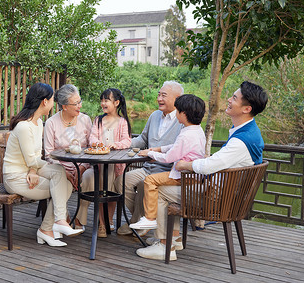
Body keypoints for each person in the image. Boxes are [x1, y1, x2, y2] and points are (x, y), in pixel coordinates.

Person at [136, 81, 268, 260]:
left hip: (218, 198)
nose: (229, 99)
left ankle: (164, 245)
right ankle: (174, 238)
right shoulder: (249, 132)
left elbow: (208, 167)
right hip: (229, 195)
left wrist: (185, 165)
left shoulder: (241, 140)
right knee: (166, 186)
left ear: (246, 109)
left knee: (159, 191)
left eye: (234, 98)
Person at [3, 83, 82, 248]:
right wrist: (32, 168)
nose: (55, 103)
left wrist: (33, 170)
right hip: (15, 177)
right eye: (53, 99)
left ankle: (53, 225)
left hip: (30, 171)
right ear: (45, 101)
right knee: (62, 186)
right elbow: (32, 159)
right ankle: (51, 226)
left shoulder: (38, 123)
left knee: (62, 175)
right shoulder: (24, 127)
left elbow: (35, 157)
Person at [114, 81, 184, 236]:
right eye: (159, 94)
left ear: (177, 98)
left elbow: (180, 149)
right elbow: (142, 139)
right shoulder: (154, 115)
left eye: (163, 95)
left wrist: (156, 154)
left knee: (143, 185)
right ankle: (140, 219)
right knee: (121, 181)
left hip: (167, 171)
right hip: (148, 168)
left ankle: (140, 221)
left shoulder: (182, 120)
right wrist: (122, 143)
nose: (159, 98)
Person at [129, 94, 206, 231]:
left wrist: (151, 153)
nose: (175, 113)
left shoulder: (186, 135)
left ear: (184, 114)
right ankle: (152, 221)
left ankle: (150, 218)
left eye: (177, 111)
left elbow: (168, 158)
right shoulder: (196, 130)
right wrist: (158, 148)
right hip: (190, 175)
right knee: (150, 180)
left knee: (150, 181)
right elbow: (175, 147)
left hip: (182, 176)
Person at [82, 88, 132, 237]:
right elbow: (92, 138)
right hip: (99, 164)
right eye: (102, 100)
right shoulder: (98, 120)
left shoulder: (122, 122)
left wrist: (115, 145)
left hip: (117, 165)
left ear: (116, 103)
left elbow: (127, 141)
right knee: (102, 187)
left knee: (112, 188)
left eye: (107, 100)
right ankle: (103, 224)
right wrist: (98, 144)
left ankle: (108, 220)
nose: (103, 103)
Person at [44, 84, 92, 230]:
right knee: (61, 181)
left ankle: (79, 219)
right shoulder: (51, 123)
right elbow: (48, 154)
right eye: (75, 103)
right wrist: (65, 170)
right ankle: (63, 217)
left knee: (91, 178)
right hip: (61, 169)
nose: (80, 105)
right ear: (64, 106)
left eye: (80, 101)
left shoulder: (85, 120)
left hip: (85, 166)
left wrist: (83, 168)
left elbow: (92, 148)